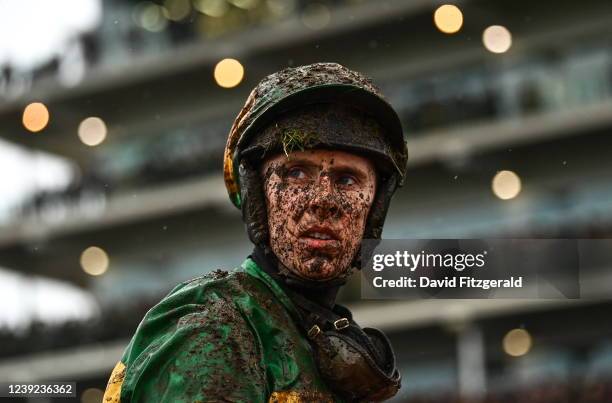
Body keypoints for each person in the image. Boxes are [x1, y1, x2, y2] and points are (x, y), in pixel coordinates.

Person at [103, 62, 408, 402]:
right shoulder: (214, 331)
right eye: (295, 173)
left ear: (374, 207)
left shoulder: (309, 330)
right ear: (257, 197)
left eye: (347, 180)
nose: (323, 201)